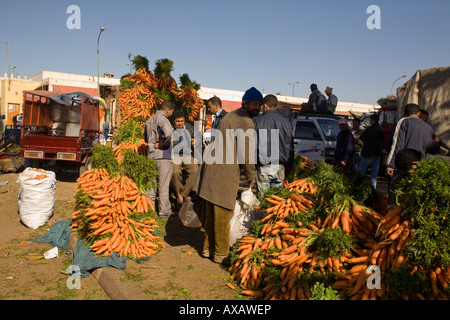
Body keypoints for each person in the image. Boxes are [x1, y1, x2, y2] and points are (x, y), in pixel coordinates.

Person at [193, 87, 262, 265]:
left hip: (212, 169)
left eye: (260, 104)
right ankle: (221, 254)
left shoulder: (230, 116)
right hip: (223, 172)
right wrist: (251, 174)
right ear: (245, 103)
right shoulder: (245, 121)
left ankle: (208, 249)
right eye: (255, 103)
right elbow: (246, 151)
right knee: (223, 213)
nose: (258, 107)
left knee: (211, 213)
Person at [386, 103, 440, 177]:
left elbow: (397, 144)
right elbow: (433, 150)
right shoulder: (428, 128)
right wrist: (437, 142)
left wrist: (391, 165)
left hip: (404, 165)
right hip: (419, 166)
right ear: (419, 113)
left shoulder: (404, 121)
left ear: (404, 114)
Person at [254, 94, 294, 192]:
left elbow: (253, 147)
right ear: (276, 106)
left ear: (265, 106)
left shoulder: (258, 121)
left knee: (263, 202)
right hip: (280, 168)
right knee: (277, 203)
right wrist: (288, 170)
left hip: (264, 167)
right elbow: (291, 149)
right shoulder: (285, 122)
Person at [144, 100, 176, 218]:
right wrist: (164, 143)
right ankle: (164, 210)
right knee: (163, 184)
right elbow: (168, 134)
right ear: (168, 110)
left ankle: (149, 209)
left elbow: (145, 137)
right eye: (171, 112)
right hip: (163, 156)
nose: (171, 114)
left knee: (151, 184)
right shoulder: (163, 119)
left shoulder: (149, 119)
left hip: (151, 155)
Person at [171, 110, 198, 207]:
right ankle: (180, 195)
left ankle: (183, 195)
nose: (180, 123)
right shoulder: (170, 128)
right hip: (175, 155)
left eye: (182, 121)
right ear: (173, 120)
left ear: (184, 120)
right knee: (174, 172)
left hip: (187, 155)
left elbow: (197, 138)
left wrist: (194, 141)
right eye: (178, 121)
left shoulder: (189, 127)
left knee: (195, 170)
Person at [358, 114, 385, 189]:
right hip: (377, 153)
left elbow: (362, 137)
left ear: (372, 120)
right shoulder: (381, 129)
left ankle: (358, 187)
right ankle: (373, 190)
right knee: (374, 174)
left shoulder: (369, 129)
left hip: (368, 153)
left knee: (361, 171)